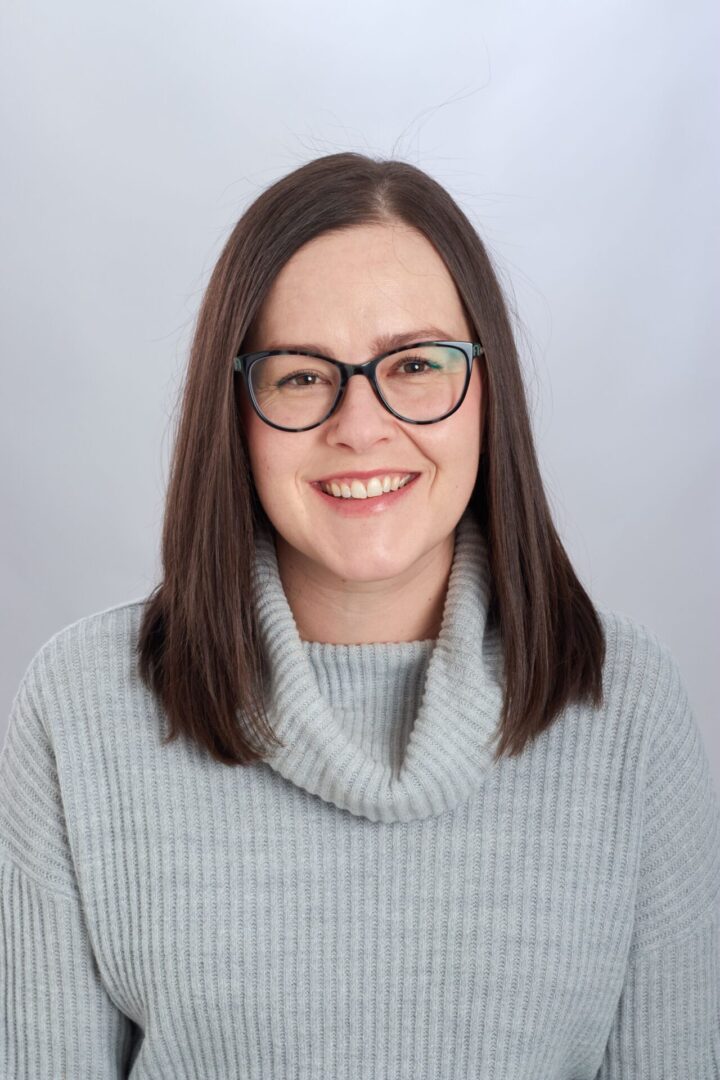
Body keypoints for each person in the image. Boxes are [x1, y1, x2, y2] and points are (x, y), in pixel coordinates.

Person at [1, 152, 718, 1079]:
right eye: (302, 376)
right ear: (237, 410)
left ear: (487, 391)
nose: (362, 425)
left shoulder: (629, 707)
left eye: (415, 365)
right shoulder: (80, 704)